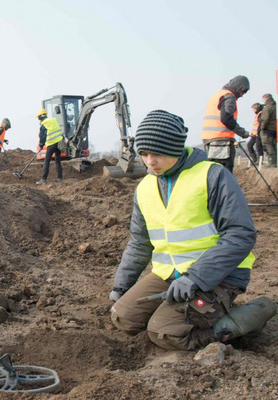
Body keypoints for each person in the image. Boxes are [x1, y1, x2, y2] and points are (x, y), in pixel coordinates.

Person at [109, 109, 276, 351]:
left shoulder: (213, 176)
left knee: (165, 332)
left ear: (175, 148)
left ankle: (250, 315)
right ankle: (188, 312)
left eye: (157, 153)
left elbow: (240, 234)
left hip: (219, 275)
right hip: (170, 274)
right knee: (123, 318)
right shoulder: (144, 188)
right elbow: (139, 242)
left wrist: (196, 277)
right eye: (144, 154)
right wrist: (121, 286)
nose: (150, 161)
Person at [201, 75, 250, 172]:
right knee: (224, 174)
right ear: (238, 87)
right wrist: (243, 133)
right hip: (221, 141)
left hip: (210, 140)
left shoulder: (217, 95)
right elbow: (226, 119)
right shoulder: (229, 97)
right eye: (242, 91)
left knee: (213, 172)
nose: (242, 95)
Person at [35, 109, 64, 185]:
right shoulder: (53, 120)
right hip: (59, 142)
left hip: (51, 144)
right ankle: (59, 178)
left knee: (47, 161)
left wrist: (41, 145)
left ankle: (43, 179)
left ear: (40, 117)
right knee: (58, 160)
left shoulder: (44, 124)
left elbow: (42, 136)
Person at [260, 93, 277, 168]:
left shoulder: (267, 107)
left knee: (268, 145)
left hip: (268, 129)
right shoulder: (275, 106)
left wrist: (262, 127)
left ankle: (271, 163)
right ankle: (274, 162)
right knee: (273, 145)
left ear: (265, 98)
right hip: (274, 129)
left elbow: (265, 119)